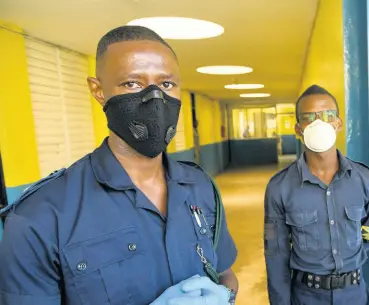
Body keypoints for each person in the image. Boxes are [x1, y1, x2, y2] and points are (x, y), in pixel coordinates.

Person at [0, 25, 239, 305]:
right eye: (132, 83)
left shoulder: (200, 186)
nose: (155, 99)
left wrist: (226, 296)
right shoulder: (40, 217)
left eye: (166, 84)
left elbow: (225, 273)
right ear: (98, 90)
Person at [264, 85, 369, 305]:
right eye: (309, 118)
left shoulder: (365, 180)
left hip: (355, 295)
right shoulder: (279, 187)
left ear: (338, 123)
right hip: (307, 297)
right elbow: (276, 256)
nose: (319, 123)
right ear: (298, 130)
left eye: (328, 115)